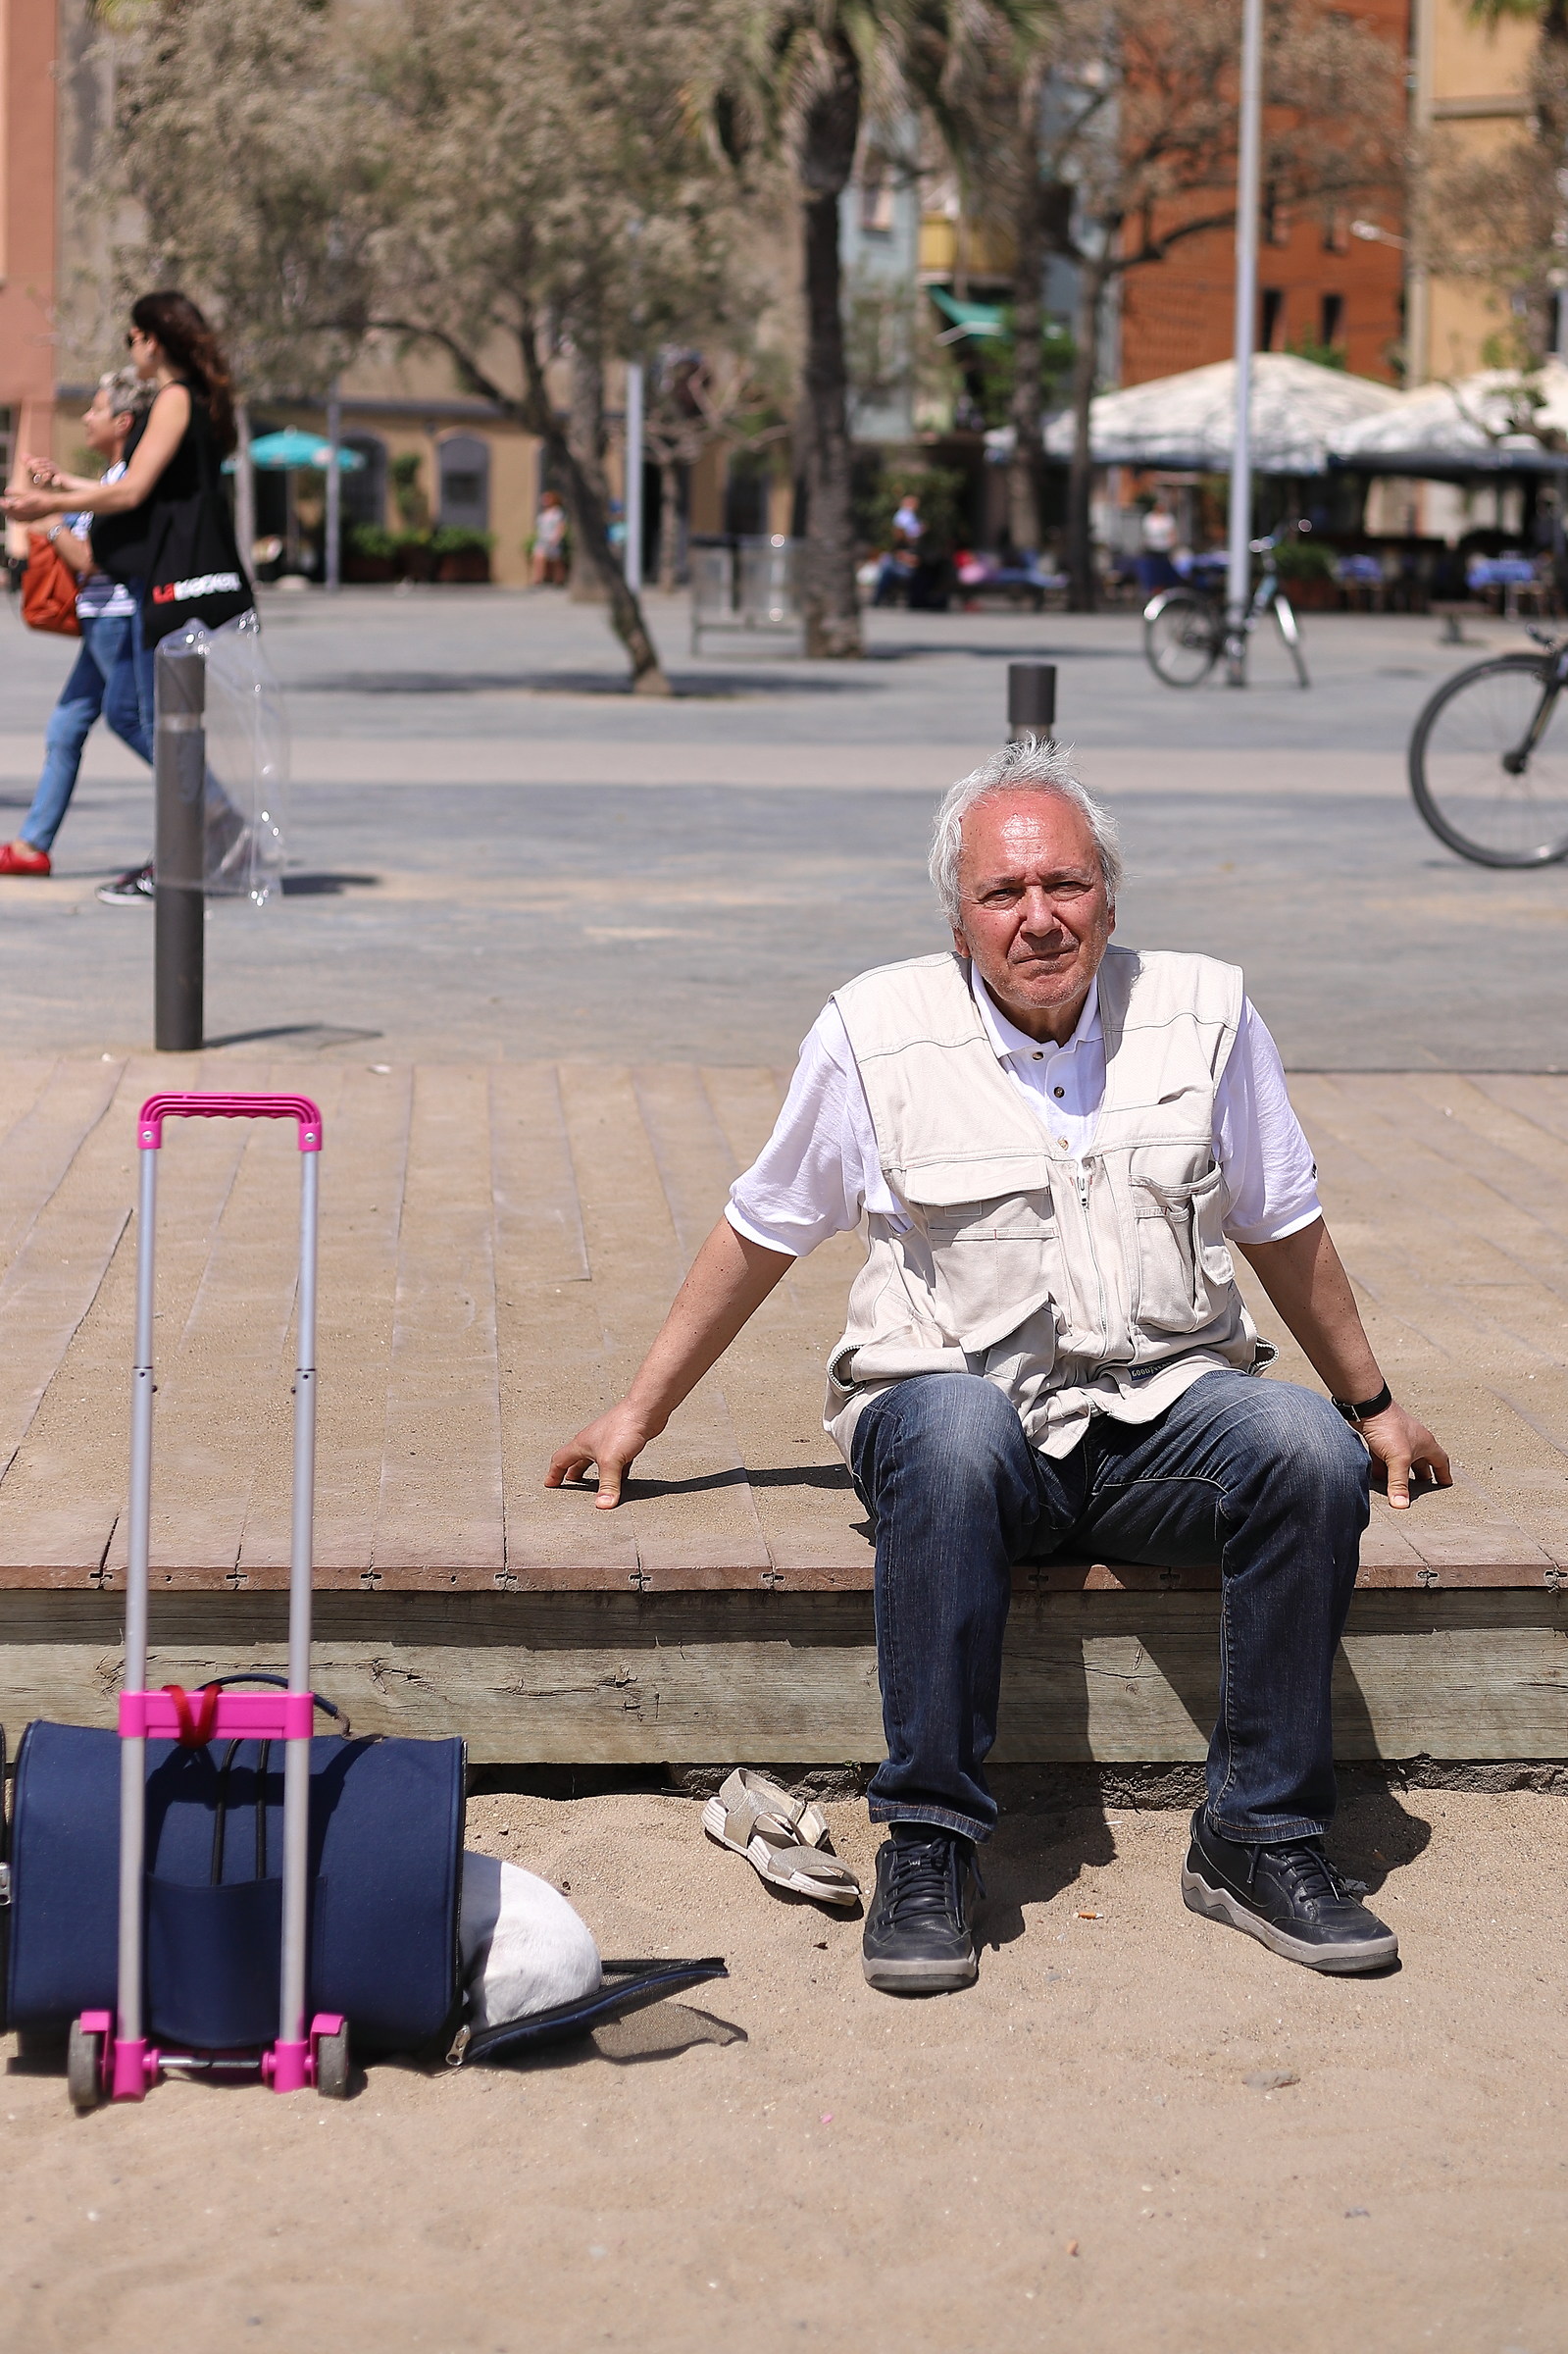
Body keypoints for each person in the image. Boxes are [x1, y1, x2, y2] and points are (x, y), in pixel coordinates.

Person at [547, 737, 1451, 1999]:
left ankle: (1261, 1836)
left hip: (1156, 1419)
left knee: (1307, 1453)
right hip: (952, 1430)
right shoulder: (874, 1031)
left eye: (1066, 887)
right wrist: (636, 1413)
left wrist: (1374, 1403)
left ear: (1111, 897)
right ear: (957, 916)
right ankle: (931, 1841)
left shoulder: (1205, 1012)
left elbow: (1280, 1220)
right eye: (1003, 895)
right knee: (962, 1431)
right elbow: (764, 1229)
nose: (1039, 920)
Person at [2, 289, 251, 904]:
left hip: (162, 591)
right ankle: (189, 845)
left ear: (153, 338)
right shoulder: (193, 400)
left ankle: (203, 838)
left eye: (132, 338)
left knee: (146, 721)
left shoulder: (173, 397)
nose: (131, 348)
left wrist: (51, 509)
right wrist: (65, 488)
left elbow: (134, 492)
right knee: (107, 723)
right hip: (174, 586)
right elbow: (142, 491)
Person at [0, 370, 155, 877]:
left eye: (96, 409)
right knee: (65, 728)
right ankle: (32, 847)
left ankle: (214, 813)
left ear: (123, 422)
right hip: (100, 622)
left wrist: (48, 519)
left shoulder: (127, 484)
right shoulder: (112, 481)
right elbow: (95, 502)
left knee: (133, 722)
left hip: (118, 620)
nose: (86, 417)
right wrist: (61, 487)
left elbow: (91, 560)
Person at [532, 490, 568, 586]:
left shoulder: (558, 513)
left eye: (548, 498)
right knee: (538, 557)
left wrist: (557, 538)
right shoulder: (543, 513)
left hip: (552, 539)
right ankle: (538, 579)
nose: (545, 500)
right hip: (542, 539)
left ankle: (559, 579)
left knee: (556, 561)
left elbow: (561, 526)